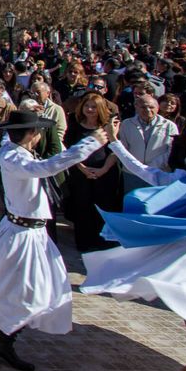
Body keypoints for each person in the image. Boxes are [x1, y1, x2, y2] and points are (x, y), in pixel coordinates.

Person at [0, 110, 109, 371]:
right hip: (21, 234)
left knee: (25, 289)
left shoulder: (14, 150)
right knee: (30, 292)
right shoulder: (14, 157)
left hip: (34, 234)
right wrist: (93, 141)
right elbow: (49, 166)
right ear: (33, 134)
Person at [81, 128, 186, 371]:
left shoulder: (185, 182)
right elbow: (142, 170)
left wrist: (115, 144)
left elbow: (142, 171)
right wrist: (115, 144)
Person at [62, 92, 123, 252]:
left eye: (94, 107)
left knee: (103, 206)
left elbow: (115, 150)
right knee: (82, 207)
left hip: (105, 174)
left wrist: (103, 169)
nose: (89, 109)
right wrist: (82, 168)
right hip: (80, 173)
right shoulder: (75, 123)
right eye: (87, 106)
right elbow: (69, 148)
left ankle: (103, 242)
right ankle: (84, 242)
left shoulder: (108, 126)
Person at [118, 94, 178, 189]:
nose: (148, 110)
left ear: (158, 108)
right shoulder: (126, 124)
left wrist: (152, 166)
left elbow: (171, 150)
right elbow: (123, 148)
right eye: (143, 107)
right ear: (136, 108)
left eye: (151, 107)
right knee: (133, 201)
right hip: (132, 173)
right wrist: (136, 166)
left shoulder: (169, 126)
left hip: (159, 172)